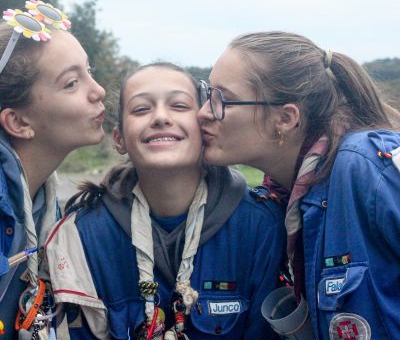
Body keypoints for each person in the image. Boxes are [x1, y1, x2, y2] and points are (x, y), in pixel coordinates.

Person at [44, 62, 286, 339]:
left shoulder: (259, 225)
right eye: (141, 109)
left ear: (205, 127)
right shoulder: (83, 234)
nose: (160, 117)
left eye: (179, 106)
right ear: (119, 139)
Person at [198, 31, 400, 340]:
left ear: (285, 118)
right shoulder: (282, 203)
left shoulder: (367, 166)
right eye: (207, 93)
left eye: (222, 99)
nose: (203, 113)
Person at [0, 0, 106, 338]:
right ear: (19, 122)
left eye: (89, 71)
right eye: (72, 83)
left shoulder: (42, 200)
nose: (99, 91)